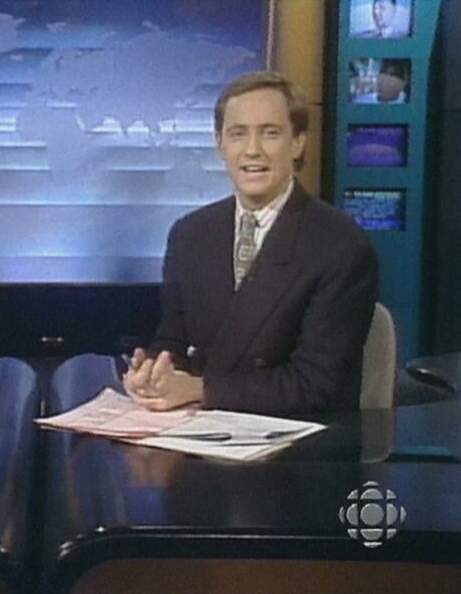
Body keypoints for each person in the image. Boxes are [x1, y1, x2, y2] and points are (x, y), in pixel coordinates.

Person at [123, 71, 378, 414]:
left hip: (302, 453)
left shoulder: (341, 246)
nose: (252, 150)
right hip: (199, 436)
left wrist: (201, 389)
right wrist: (153, 372)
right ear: (220, 144)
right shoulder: (189, 235)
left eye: (270, 134)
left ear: (298, 142)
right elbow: (174, 341)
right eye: (238, 134)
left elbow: (316, 386)